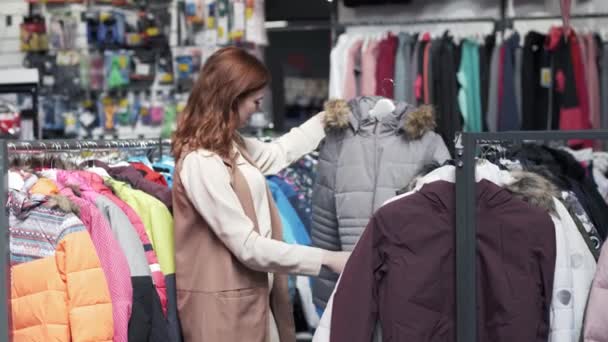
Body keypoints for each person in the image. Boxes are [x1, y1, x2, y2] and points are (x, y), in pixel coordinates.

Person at [171, 46, 350, 342]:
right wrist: (328, 259)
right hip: (222, 315)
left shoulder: (231, 144)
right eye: (255, 100)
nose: (258, 108)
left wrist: (326, 119)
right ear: (231, 97)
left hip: (250, 301)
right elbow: (247, 246)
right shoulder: (201, 162)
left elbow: (278, 153)